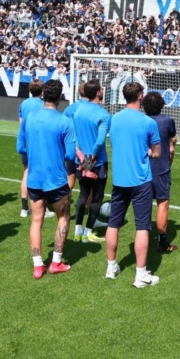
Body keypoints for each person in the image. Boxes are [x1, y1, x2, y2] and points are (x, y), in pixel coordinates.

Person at [102, 82, 161, 287]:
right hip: (140, 180)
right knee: (142, 226)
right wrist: (149, 152)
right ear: (140, 96)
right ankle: (141, 274)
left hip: (120, 179)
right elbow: (157, 152)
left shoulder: (114, 119)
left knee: (113, 223)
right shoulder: (148, 122)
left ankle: (111, 267)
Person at [17, 78, 76, 279]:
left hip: (35, 179)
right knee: (63, 217)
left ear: (43, 95)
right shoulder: (64, 121)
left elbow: (20, 147)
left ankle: (38, 265)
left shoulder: (29, 118)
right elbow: (70, 155)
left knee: (36, 220)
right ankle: (56, 262)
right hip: (56, 179)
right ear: (60, 96)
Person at [70, 80, 111, 243]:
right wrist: (91, 160)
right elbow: (100, 141)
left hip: (80, 159)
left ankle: (77, 230)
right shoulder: (103, 114)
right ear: (98, 92)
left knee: (83, 194)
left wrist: (80, 155)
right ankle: (88, 232)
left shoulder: (78, 110)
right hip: (97, 162)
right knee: (97, 197)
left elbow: (73, 136)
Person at [142, 91, 177, 253]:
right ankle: (162, 242)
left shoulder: (141, 121)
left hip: (142, 169)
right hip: (160, 169)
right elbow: (171, 146)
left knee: (143, 204)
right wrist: (169, 162)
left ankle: (143, 237)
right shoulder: (167, 121)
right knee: (162, 203)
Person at [18, 79, 45, 218]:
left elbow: (21, 122)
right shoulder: (43, 104)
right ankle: (42, 206)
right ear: (42, 90)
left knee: (26, 172)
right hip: (39, 143)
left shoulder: (24, 103)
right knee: (41, 173)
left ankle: (24, 208)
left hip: (27, 142)